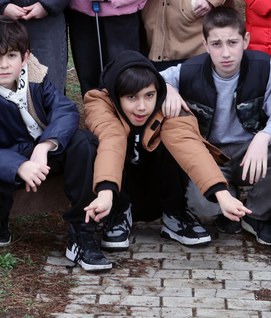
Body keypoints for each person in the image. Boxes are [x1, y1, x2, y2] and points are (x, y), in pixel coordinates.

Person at [0, 16, 111, 270]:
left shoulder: (35, 78)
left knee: (83, 142)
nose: (4, 65)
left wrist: (45, 146)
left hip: (38, 155)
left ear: (25, 56)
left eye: (11, 56)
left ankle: (82, 231)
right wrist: (17, 165)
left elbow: (66, 110)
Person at [159, 7, 271, 246]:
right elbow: (149, 78)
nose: (225, 53)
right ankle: (227, 204)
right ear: (205, 44)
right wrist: (166, 88)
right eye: (216, 44)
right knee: (201, 204)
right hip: (211, 156)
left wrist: (263, 137)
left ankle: (256, 215)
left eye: (232, 42)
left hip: (250, 153)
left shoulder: (264, 67)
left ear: (246, 41)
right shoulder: (190, 70)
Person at [82, 53, 250, 249]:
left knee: (175, 142)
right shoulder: (98, 101)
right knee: (94, 144)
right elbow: (112, 139)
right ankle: (118, 215)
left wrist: (223, 195)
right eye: (131, 97)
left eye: (149, 95)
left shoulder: (167, 102)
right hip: (116, 192)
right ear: (116, 95)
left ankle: (174, 214)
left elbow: (188, 145)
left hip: (159, 186)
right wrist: (105, 193)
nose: (142, 107)